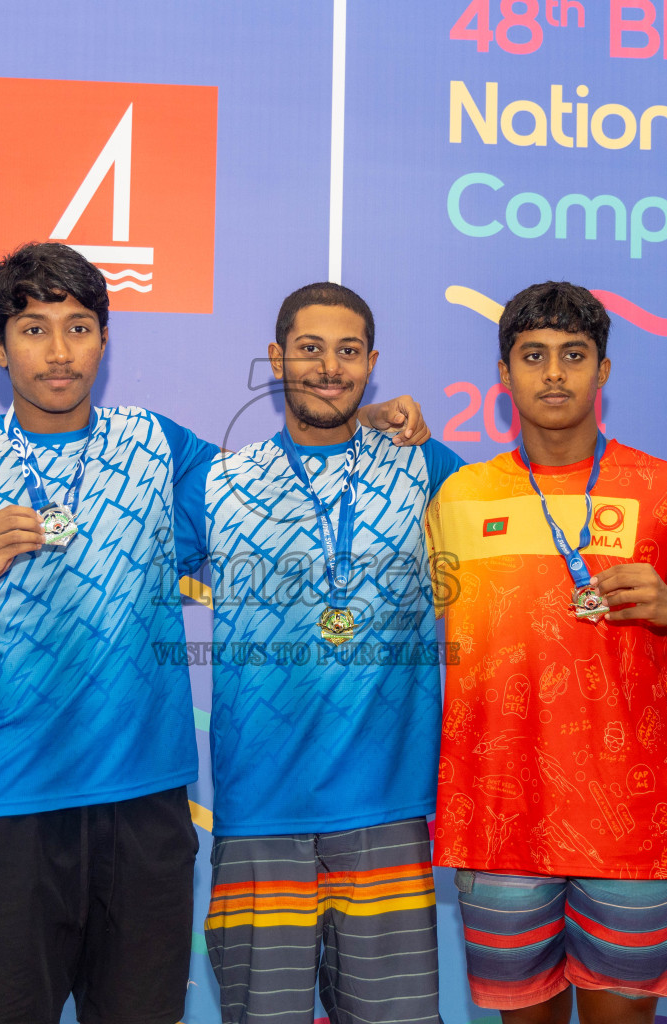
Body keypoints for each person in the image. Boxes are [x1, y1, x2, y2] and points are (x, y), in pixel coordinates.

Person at [0, 244, 426, 1024]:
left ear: (104, 337)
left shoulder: (160, 447)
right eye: (33, 330)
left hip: (149, 815)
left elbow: (278, 475)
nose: (60, 353)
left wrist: (356, 416)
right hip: (12, 813)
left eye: (78, 327)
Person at [426, 281, 667, 1024]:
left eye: (574, 356)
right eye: (533, 355)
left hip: (628, 829)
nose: (554, 374)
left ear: (603, 372)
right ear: (504, 374)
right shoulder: (456, 498)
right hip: (498, 823)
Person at [172, 283, 463, 1024]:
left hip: (386, 810)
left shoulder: (423, 468)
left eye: (347, 351)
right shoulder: (221, 482)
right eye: (309, 349)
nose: (328, 368)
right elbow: (117, 569)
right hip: (259, 813)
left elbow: (525, 538)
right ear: (276, 359)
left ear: (372, 364)